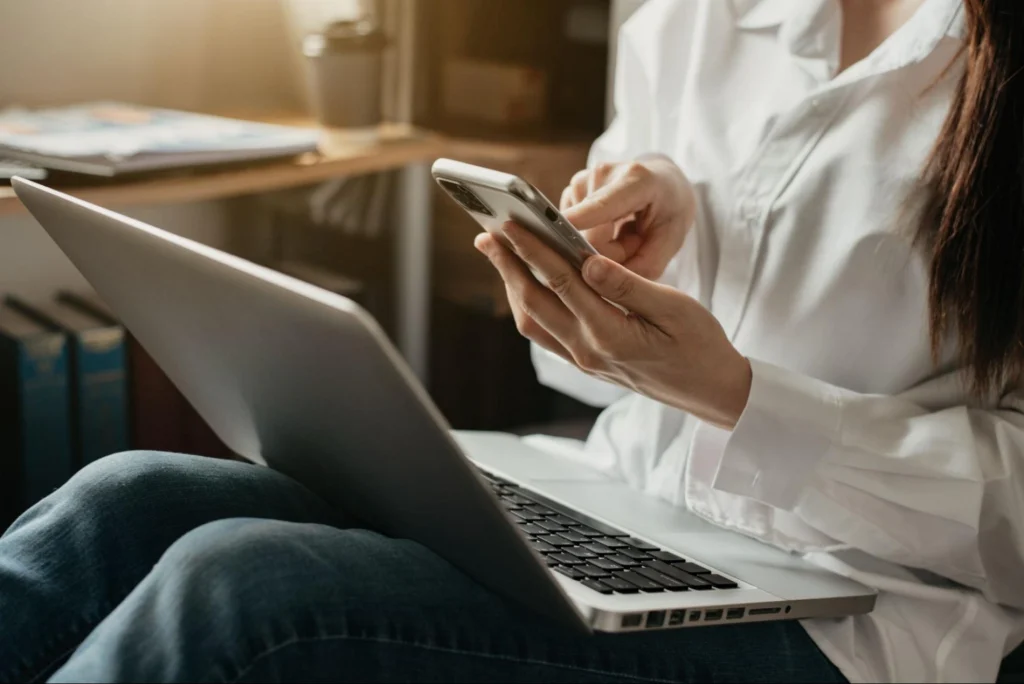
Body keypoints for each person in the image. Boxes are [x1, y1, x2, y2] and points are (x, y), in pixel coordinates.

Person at [2, 0, 1022, 681]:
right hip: (627, 501)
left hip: (864, 620)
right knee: (122, 501)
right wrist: (646, 231)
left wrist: (737, 396)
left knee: (239, 591)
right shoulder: (688, 17)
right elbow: (606, 372)